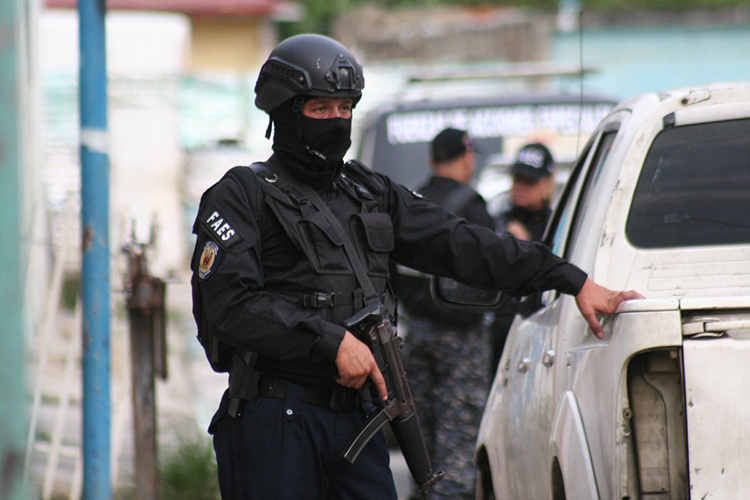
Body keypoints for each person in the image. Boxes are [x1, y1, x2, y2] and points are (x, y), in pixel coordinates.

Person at [190, 33, 642, 500]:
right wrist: (329, 341)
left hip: (356, 419)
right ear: (285, 112)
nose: (336, 121)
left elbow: (461, 243)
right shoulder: (242, 195)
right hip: (275, 417)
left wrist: (571, 279)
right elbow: (232, 304)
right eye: (320, 109)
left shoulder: (366, 192)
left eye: (345, 109)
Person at [390, 127, 495, 499]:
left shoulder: (409, 205)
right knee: (458, 448)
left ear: (433, 160)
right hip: (461, 342)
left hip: (412, 336)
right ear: (466, 158)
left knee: (421, 445)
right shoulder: (472, 207)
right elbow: (492, 272)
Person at [489, 143, 557, 375]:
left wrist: (525, 244)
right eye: (518, 179)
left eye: (530, 181)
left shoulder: (557, 225)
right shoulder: (497, 221)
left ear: (547, 184)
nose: (521, 187)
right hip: (498, 328)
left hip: (539, 329)